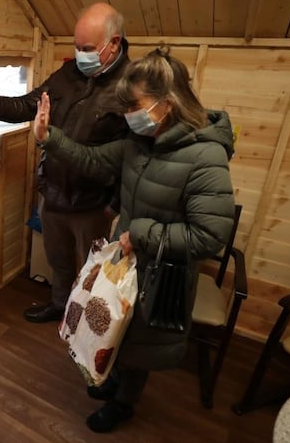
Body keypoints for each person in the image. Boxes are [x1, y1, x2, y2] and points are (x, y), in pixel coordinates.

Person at [33, 48, 236, 433]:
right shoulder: (139, 142)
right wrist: (49, 137)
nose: (128, 115)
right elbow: (93, 160)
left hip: (161, 274)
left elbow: (210, 236)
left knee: (139, 345)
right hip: (125, 261)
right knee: (117, 331)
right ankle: (112, 379)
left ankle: (124, 403)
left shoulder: (206, 156)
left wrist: (141, 233)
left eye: (135, 106)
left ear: (167, 103)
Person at [0, 2, 131, 324]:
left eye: (87, 48)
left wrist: (113, 206)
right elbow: (27, 105)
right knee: (58, 260)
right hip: (53, 193)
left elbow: (132, 158)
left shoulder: (131, 86)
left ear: (114, 43)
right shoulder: (68, 74)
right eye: (77, 47)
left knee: (93, 269)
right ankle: (60, 305)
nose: (80, 55)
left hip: (94, 204)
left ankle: (83, 324)